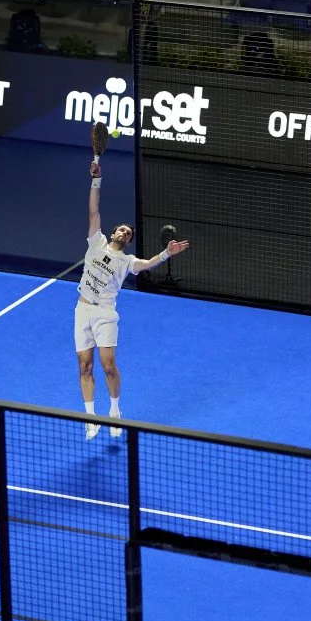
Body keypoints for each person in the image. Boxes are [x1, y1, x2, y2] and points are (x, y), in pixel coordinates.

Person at [77, 147, 189, 439]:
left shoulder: (127, 261)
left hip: (105, 313)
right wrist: (96, 180)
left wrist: (166, 253)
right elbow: (93, 209)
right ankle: (91, 418)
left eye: (128, 234)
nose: (124, 234)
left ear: (128, 242)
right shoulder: (95, 242)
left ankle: (114, 412)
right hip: (82, 309)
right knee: (85, 366)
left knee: (108, 366)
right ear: (113, 232)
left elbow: (150, 263)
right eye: (122, 230)